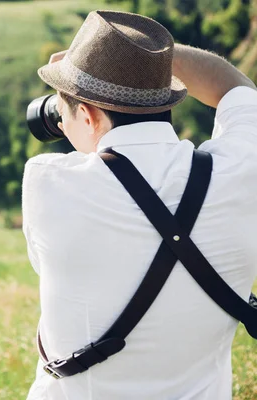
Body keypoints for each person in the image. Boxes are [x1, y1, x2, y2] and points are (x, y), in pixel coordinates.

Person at [22, 10, 257, 400]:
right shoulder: (242, 169)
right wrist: (144, 58)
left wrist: (104, 56)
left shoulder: (49, 181)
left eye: (63, 112)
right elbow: (236, 89)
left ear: (86, 114)